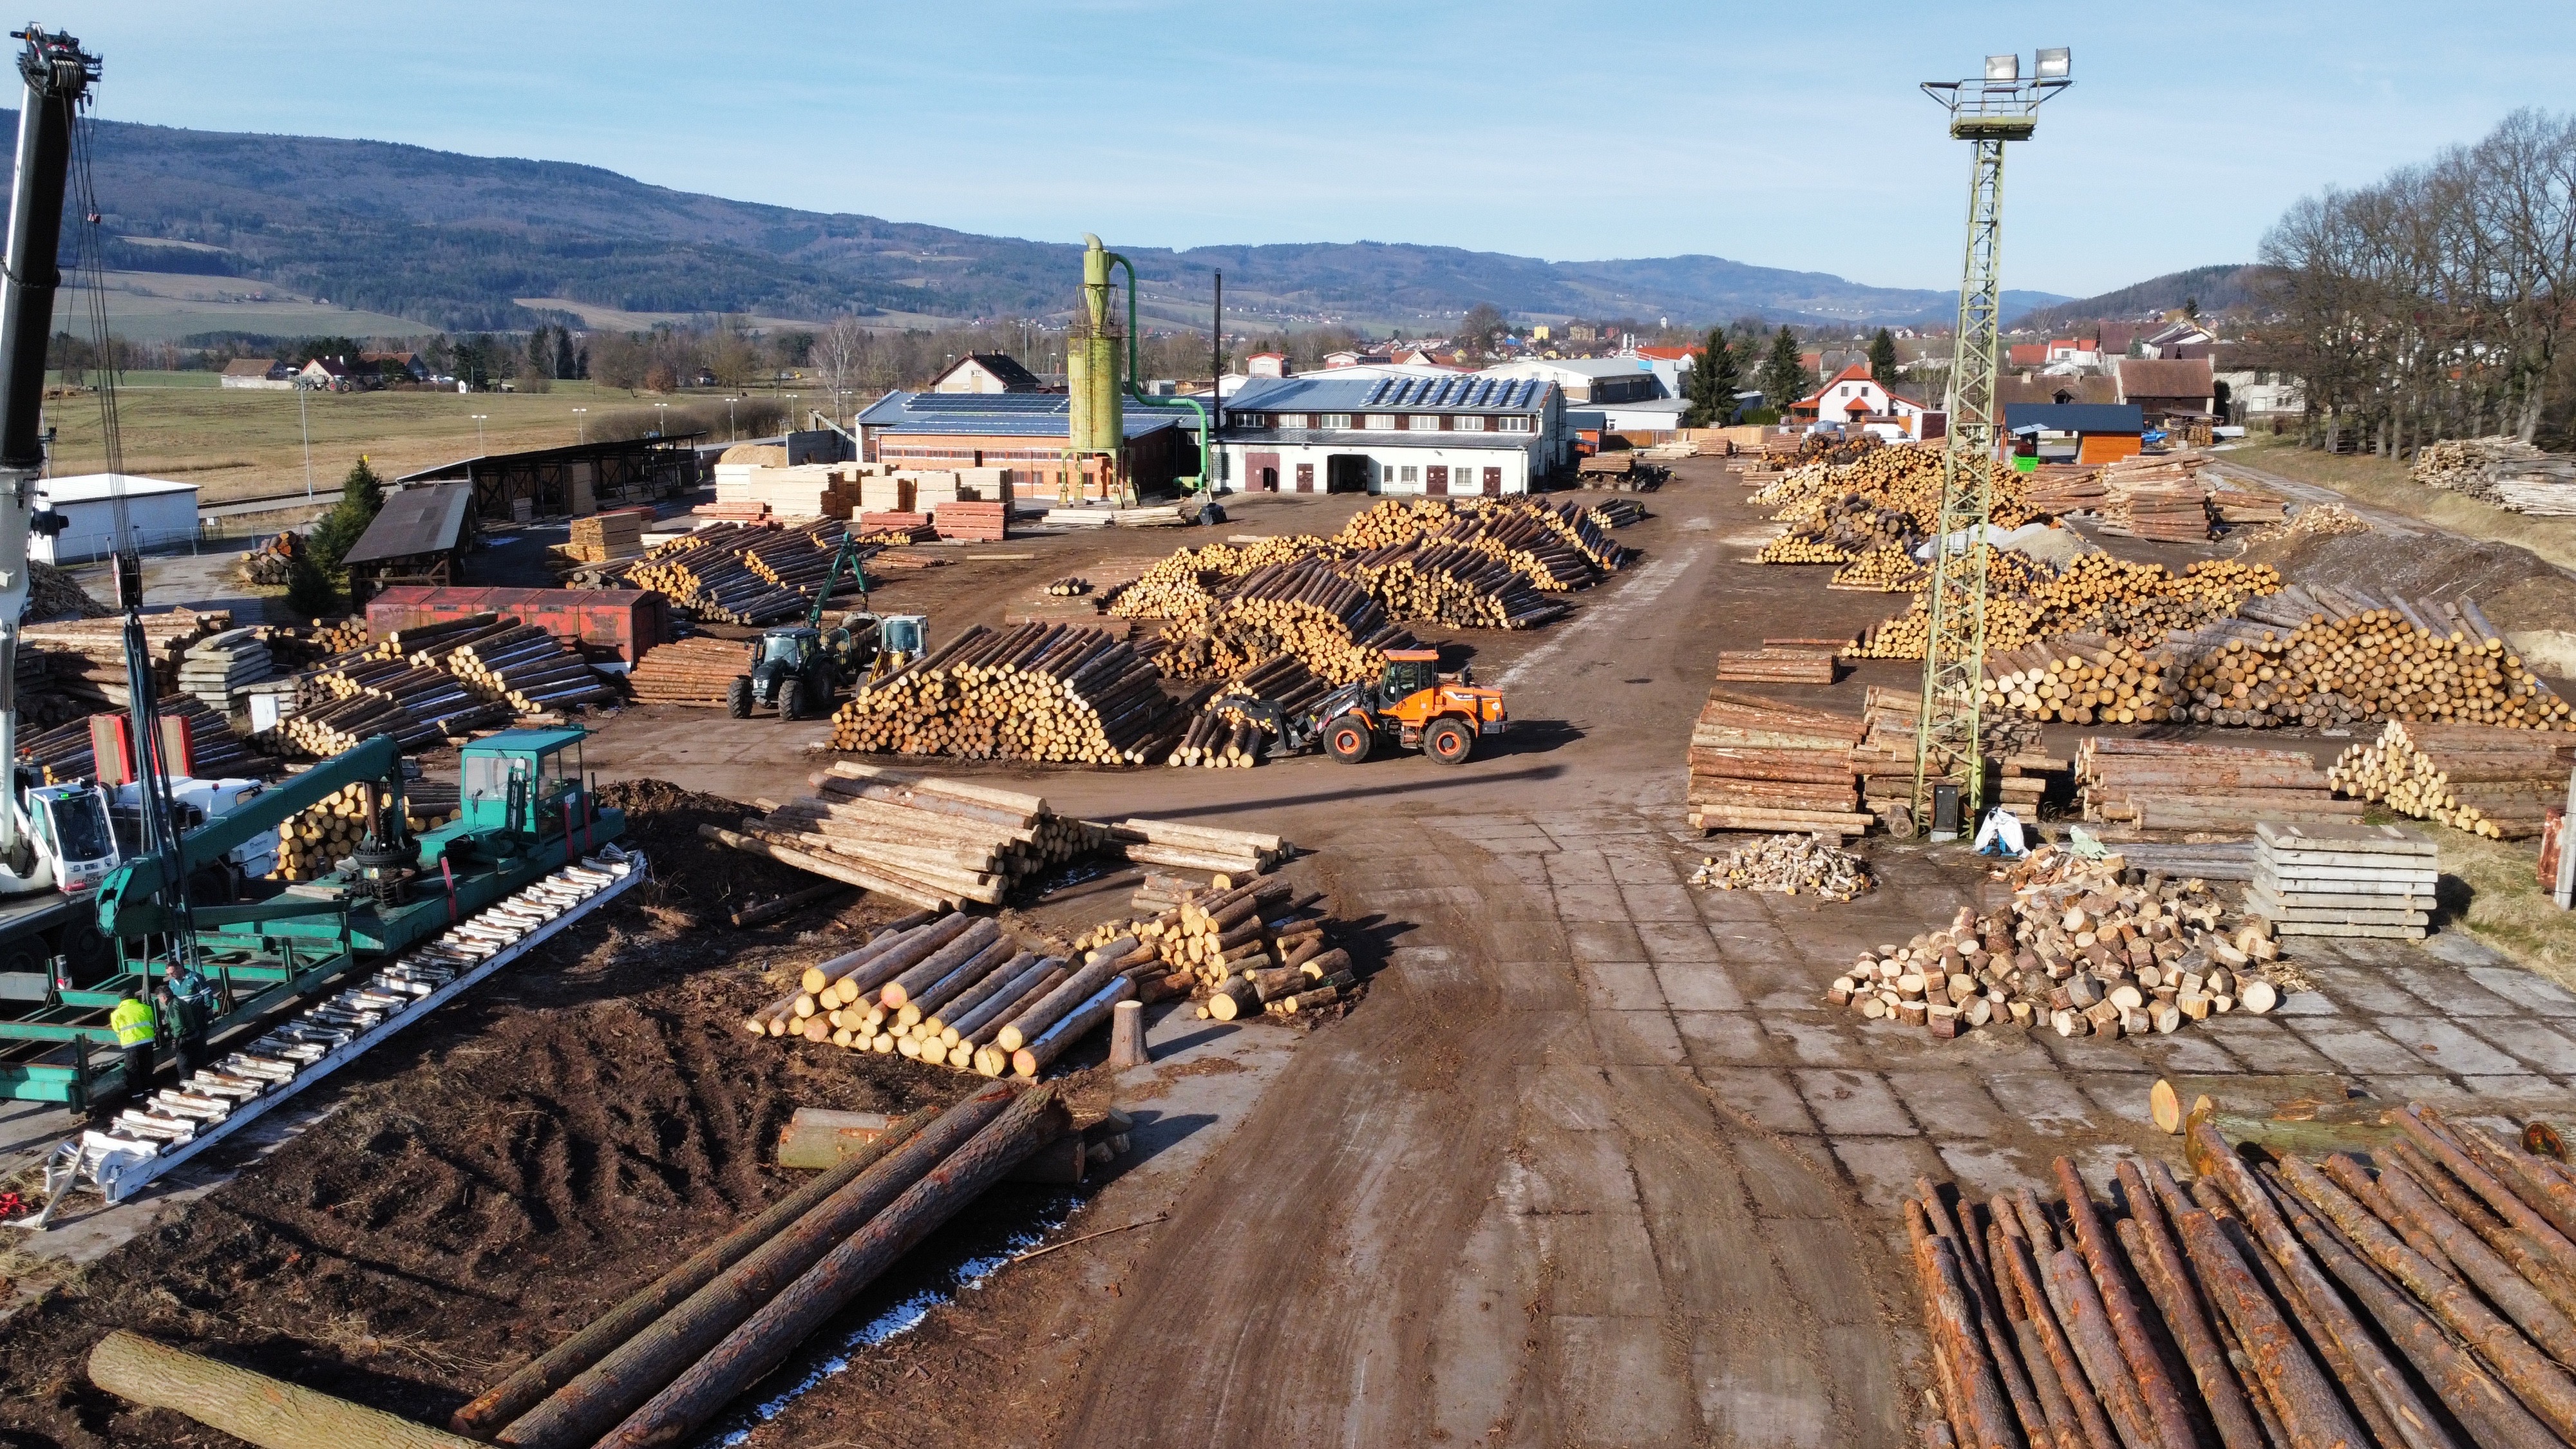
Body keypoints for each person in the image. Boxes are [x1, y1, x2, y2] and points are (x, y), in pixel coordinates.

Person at [108, 992, 155, 1102]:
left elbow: (117, 1031)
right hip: (147, 1042)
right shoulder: (145, 1008)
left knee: (132, 1070)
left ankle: (138, 1096)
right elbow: (152, 1023)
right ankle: (150, 1092)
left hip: (130, 1045)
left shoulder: (116, 1014)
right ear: (133, 997)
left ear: (121, 1000)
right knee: (147, 1067)